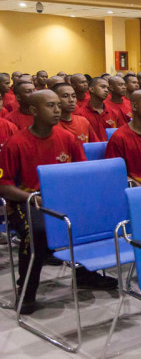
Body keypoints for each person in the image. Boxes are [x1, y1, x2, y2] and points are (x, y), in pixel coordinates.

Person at [0, 90, 116, 314]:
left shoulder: (67, 138)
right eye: (50, 106)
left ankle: (84, 274)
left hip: (63, 199)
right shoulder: (15, 144)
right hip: (27, 202)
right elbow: (4, 187)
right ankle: (27, 289)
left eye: (57, 106)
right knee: (38, 231)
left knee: (90, 220)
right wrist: (35, 198)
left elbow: (82, 172)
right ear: (34, 111)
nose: (57, 110)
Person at [76, 77, 118, 141]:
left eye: (107, 88)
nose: (106, 90)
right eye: (103, 87)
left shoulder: (113, 112)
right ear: (92, 89)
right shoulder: (80, 113)